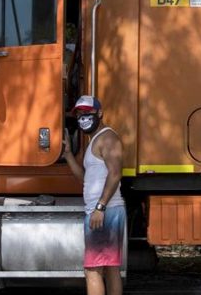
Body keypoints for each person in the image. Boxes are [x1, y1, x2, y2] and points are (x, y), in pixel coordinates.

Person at [62, 95, 125, 295]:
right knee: (111, 269)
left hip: (104, 213)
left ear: (99, 113)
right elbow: (85, 178)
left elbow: (115, 174)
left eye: (87, 113)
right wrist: (68, 155)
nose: (83, 118)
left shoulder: (107, 138)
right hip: (105, 211)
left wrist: (100, 207)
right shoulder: (95, 141)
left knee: (93, 271)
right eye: (79, 114)